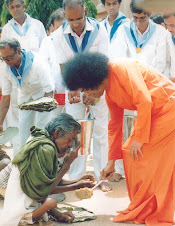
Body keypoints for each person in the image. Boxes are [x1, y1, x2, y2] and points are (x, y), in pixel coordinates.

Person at [62, 52, 175, 225]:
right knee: (128, 152)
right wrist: (111, 163)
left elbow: (144, 100)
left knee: (142, 153)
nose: (87, 95)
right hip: (155, 114)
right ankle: (140, 206)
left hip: (170, 108)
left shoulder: (121, 67)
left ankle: (153, 210)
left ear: (94, 79)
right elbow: (114, 127)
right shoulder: (109, 94)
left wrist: (140, 137)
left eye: (86, 89)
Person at [52, 0, 110, 192]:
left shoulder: (99, 30)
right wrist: (74, 88)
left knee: (101, 130)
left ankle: (103, 176)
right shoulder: (59, 35)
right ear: (65, 16)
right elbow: (63, 65)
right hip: (74, 88)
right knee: (75, 133)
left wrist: (92, 92)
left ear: (85, 11)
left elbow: (103, 64)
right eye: (71, 20)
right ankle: (77, 176)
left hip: (96, 86)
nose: (76, 24)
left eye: (79, 18)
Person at [0, 113, 95, 225]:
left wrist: (78, 182)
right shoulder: (46, 149)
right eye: (69, 140)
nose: (70, 145)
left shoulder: (44, 139)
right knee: (50, 202)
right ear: (57, 133)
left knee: (48, 202)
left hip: (19, 186)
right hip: (7, 186)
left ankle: (49, 213)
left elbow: (50, 180)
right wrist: (67, 165)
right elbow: (45, 191)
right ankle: (24, 218)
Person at [0, 39, 56, 155]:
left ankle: (40, 161)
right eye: (3, 58)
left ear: (19, 51)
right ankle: (21, 165)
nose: (6, 61)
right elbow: (5, 98)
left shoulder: (37, 63)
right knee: (23, 131)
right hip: (25, 95)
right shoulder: (5, 67)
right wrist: (0, 123)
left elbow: (49, 91)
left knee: (41, 130)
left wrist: (42, 111)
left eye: (9, 58)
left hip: (43, 95)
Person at [109, 0, 168, 74]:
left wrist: (148, 77)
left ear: (149, 14)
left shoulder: (159, 31)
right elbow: (118, 57)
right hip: (130, 77)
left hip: (152, 78)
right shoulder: (123, 30)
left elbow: (161, 62)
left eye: (142, 18)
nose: (138, 22)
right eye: (135, 18)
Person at [39, 9, 66, 113]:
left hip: (72, 91)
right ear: (53, 27)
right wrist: (50, 86)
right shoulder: (47, 42)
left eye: (64, 27)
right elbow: (43, 66)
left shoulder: (73, 40)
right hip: (54, 90)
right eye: (58, 28)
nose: (61, 31)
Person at [164, 13, 175, 82]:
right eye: (167, 25)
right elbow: (167, 62)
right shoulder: (168, 35)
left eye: (172, 25)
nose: (169, 29)